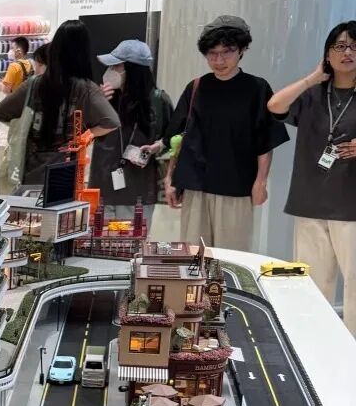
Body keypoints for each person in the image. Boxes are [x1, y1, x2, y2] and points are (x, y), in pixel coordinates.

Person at [152, 16, 289, 249]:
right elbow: (179, 139)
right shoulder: (196, 87)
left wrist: (261, 182)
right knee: (194, 256)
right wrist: (170, 178)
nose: (219, 60)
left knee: (231, 256)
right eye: (212, 54)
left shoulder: (256, 88)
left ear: (242, 50)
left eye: (227, 52)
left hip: (236, 186)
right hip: (196, 185)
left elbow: (265, 141)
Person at [268, 20, 356, 334]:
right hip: (310, 201)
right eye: (340, 46)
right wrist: (312, 78)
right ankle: (315, 344)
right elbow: (274, 105)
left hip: (351, 205)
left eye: (354, 46)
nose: (347, 52)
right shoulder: (314, 94)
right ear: (327, 54)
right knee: (312, 285)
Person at [0, 20, 119, 185]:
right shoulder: (86, 88)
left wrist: (26, 127)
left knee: (27, 201)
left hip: (30, 170)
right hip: (65, 171)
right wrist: (82, 136)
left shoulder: (34, 84)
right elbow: (111, 122)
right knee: (62, 201)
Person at [89, 39, 173, 223]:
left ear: (133, 69)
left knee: (130, 241)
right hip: (102, 188)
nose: (110, 71)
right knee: (98, 241)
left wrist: (155, 148)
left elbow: (171, 140)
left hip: (137, 193)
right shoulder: (105, 97)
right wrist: (98, 104)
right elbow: (83, 134)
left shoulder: (158, 101)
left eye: (116, 66)